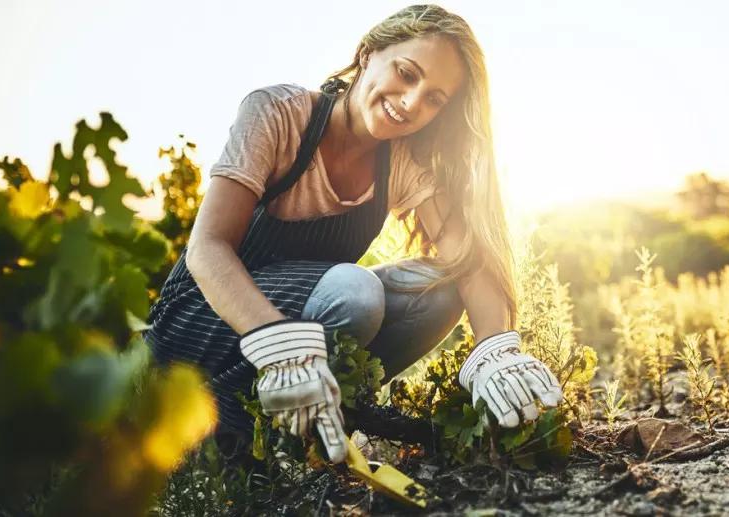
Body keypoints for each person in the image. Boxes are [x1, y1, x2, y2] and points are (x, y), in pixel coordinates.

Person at [144, 4, 562, 466]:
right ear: (367, 54)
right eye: (406, 73)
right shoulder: (279, 114)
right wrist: (282, 346)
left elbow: (467, 259)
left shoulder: (403, 162)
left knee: (440, 291)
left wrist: (495, 347)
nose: (411, 102)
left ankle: (297, 439)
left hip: (293, 340)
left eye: (434, 98)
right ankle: (219, 440)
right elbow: (208, 249)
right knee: (355, 291)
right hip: (192, 326)